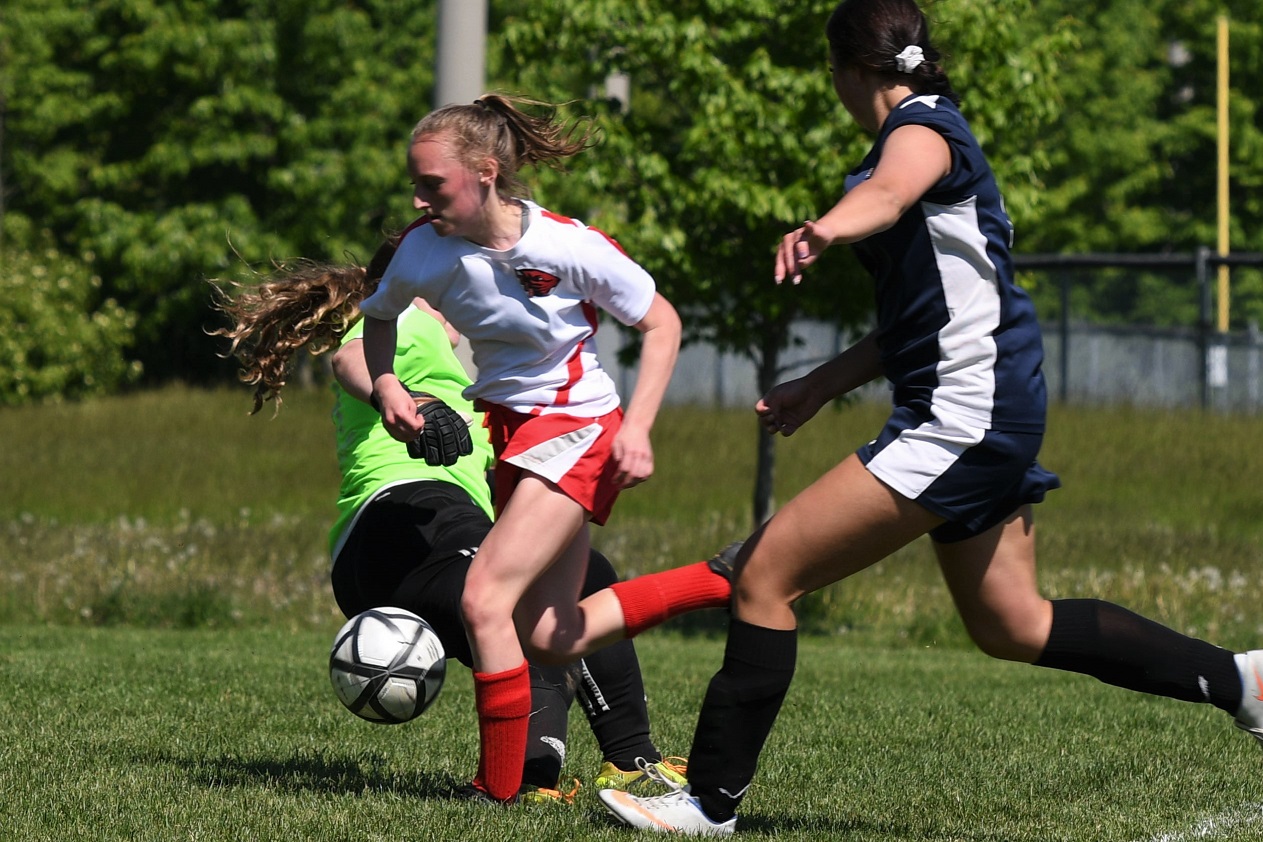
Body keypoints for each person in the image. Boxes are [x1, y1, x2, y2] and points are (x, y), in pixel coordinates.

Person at [597, 0, 1263, 834]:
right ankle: (1244, 683)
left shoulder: (921, 130)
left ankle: (708, 802)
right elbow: (922, 318)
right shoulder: (921, 131)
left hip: (963, 414)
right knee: (1012, 624)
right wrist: (821, 382)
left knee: (766, 577)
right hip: (983, 404)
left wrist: (823, 230)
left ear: (845, 71)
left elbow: (887, 191)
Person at [209, 245, 713, 803]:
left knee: (547, 597)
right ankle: (629, 764)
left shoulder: (464, 375)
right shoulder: (408, 319)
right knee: (554, 589)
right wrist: (400, 395)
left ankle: (527, 780)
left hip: (392, 549)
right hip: (405, 520)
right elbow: (350, 360)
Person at [357, 93, 734, 804]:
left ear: (487, 173)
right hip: (514, 434)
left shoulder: (566, 245)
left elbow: (662, 323)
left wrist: (641, 428)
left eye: (432, 183)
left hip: (578, 427)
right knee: (554, 636)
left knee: (484, 598)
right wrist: (386, 386)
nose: (417, 196)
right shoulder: (421, 249)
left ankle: (497, 789)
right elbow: (378, 318)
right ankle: (724, 580)